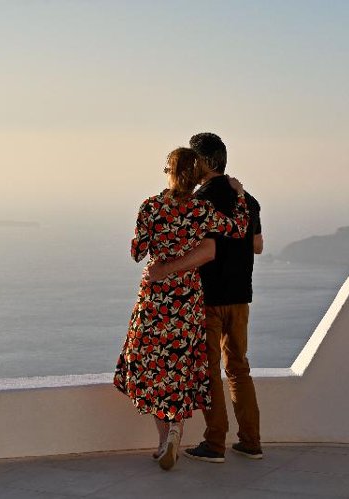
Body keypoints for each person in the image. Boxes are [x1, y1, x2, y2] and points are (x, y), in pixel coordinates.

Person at [114, 146, 249, 471]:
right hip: (187, 298)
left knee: (151, 363)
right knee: (180, 363)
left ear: (169, 172)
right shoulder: (202, 210)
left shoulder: (151, 206)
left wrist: (153, 240)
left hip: (156, 298)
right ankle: (176, 427)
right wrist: (239, 195)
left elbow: (137, 252)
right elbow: (239, 229)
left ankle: (165, 440)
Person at [147, 132, 264, 463]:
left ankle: (215, 443)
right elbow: (257, 245)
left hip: (208, 298)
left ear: (203, 162)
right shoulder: (247, 199)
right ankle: (251, 441)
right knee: (239, 368)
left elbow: (201, 250)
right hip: (240, 296)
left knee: (210, 371)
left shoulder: (198, 202)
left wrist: (164, 270)